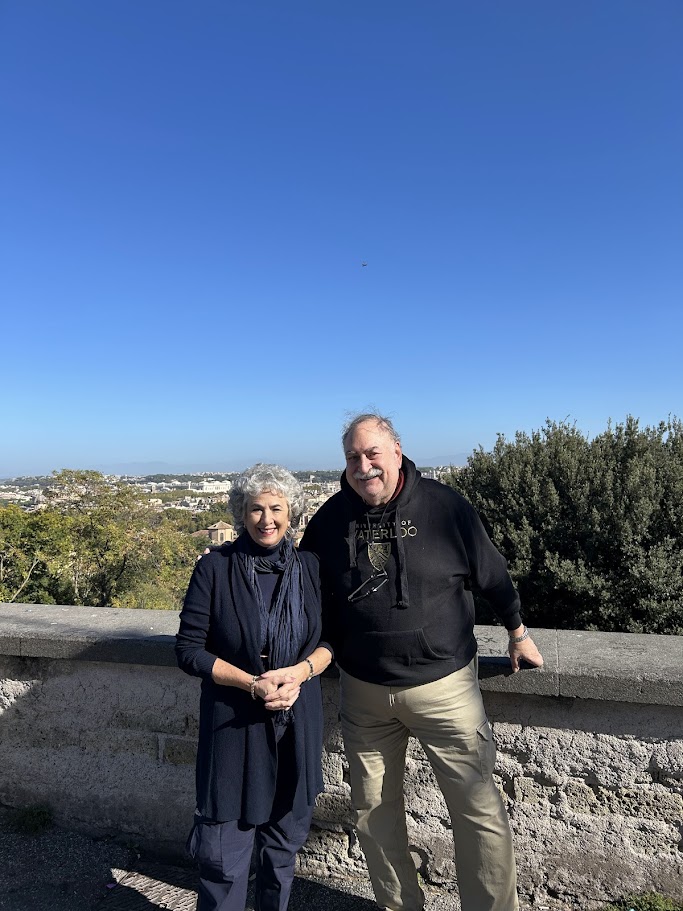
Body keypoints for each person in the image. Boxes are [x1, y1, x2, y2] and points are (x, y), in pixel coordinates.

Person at [300, 414, 543, 911]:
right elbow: (307, 598)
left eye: (373, 454)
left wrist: (517, 632)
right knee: (372, 815)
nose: (363, 466)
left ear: (397, 451)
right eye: (352, 457)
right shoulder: (328, 521)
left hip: (446, 687)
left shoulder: (444, 507)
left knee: (478, 813)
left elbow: (492, 575)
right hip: (364, 692)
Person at [176, 464, 332, 911]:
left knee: (281, 857)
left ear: (292, 513)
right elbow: (189, 650)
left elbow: (330, 642)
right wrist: (252, 684)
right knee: (223, 861)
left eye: (276, 508)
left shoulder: (309, 568)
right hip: (234, 728)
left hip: (296, 725)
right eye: (256, 509)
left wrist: (299, 673)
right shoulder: (215, 568)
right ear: (241, 514)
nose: (267, 519)